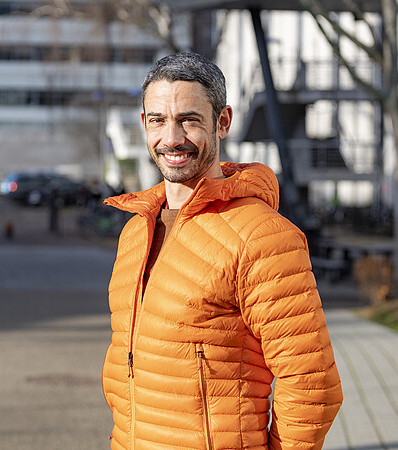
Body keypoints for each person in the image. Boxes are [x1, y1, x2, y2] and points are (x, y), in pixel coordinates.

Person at [101, 52, 342, 450]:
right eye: (158, 120)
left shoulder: (262, 237)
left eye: (189, 120)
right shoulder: (134, 233)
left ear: (222, 122)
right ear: (144, 124)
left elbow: (312, 385)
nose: (172, 138)